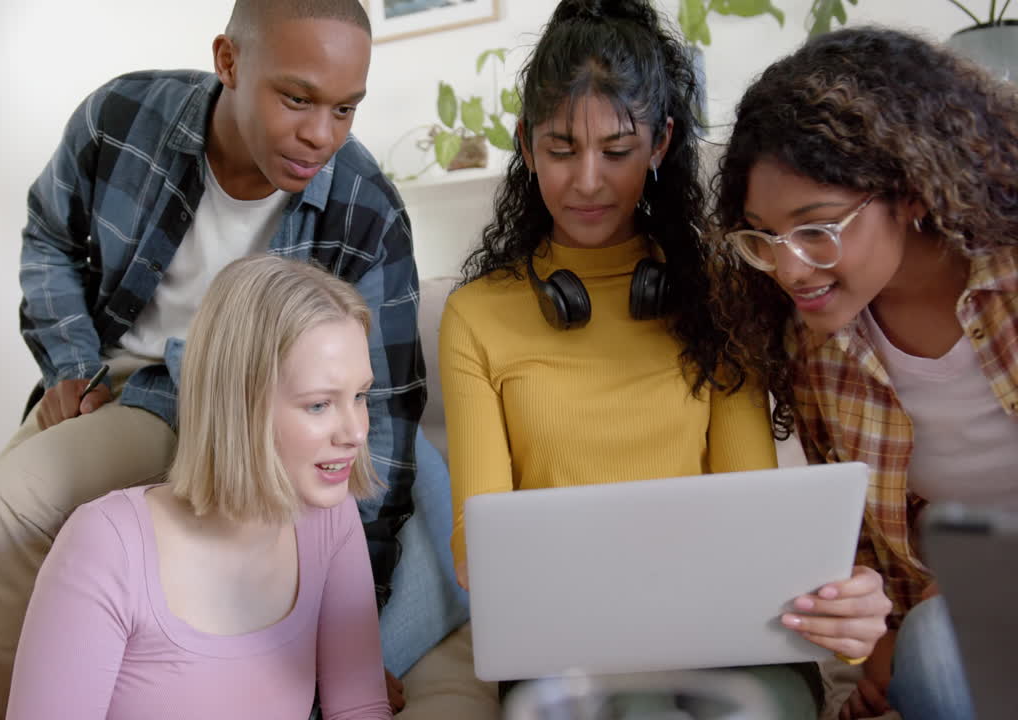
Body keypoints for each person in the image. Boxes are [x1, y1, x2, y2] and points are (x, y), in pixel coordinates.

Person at [0, 2, 427, 718]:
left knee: (16, 498)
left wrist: (349, 633)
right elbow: (50, 237)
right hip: (106, 375)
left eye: (345, 109)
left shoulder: (365, 207)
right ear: (229, 62)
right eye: (297, 98)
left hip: (204, 398)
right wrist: (70, 362)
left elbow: (387, 415)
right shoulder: (122, 118)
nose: (321, 135)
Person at [419, 1, 892, 718]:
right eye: (559, 148)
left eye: (616, 151)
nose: (587, 181)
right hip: (564, 644)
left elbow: (750, 514)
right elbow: (475, 544)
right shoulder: (477, 315)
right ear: (524, 142)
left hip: (725, 638)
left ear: (662, 142)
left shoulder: (720, 292)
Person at [708, 26, 1018, 720]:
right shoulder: (817, 348)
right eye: (763, 236)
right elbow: (860, 552)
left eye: (816, 228)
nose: (788, 268)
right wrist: (868, 638)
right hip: (968, 617)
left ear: (908, 194)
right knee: (933, 652)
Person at [5, 255, 392, 719]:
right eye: (318, 405)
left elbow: (360, 709)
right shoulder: (105, 545)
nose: (355, 432)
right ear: (238, 405)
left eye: (360, 397)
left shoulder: (331, 518)